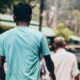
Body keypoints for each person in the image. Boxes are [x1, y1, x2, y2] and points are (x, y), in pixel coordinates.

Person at [0, 3, 55, 80]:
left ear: (14, 17)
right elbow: (48, 61)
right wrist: (52, 74)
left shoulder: (3, 37)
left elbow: (0, 64)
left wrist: (3, 77)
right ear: (30, 17)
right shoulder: (39, 36)